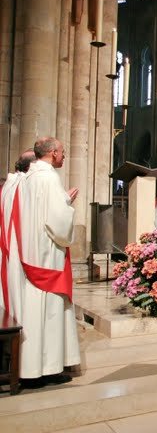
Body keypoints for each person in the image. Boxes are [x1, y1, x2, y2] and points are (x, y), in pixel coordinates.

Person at [16, 137, 80, 384]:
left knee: (36, 311)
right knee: (50, 312)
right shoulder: (49, 177)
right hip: (47, 255)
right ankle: (49, 369)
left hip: (32, 251)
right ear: (53, 153)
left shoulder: (29, 177)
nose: (64, 156)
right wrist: (66, 203)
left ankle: (33, 367)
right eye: (63, 152)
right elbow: (57, 221)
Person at [0, 149, 36, 320]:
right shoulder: (24, 185)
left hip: (9, 247)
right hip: (21, 248)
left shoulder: (10, 183)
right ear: (32, 166)